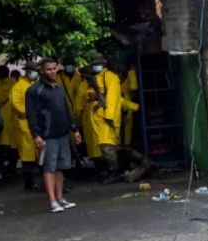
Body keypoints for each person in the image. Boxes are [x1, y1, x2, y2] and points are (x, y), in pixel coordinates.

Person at [25, 59, 81, 213]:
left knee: (60, 167)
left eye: (54, 69)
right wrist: (36, 135)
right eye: (48, 69)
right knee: (49, 167)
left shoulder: (59, 89)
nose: (52, 72)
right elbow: (31, 115)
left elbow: (66, 111)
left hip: (62, 133)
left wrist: (74, 129)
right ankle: (52, 201)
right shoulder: (34, 91)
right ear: (42, 71)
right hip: (46, 135)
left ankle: (60, 198)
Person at [86, 53, 151, 184]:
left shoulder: (110, 77)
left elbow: (112, 99)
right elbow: (118, 99)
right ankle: (118, 169)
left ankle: (115, 171)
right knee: (110, 147)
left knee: (107, 147)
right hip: (100, 119)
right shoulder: (96, 78)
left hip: (107, 118)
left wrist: (109, 117)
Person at [11, 61, 39, 190]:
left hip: (37, 124)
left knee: (39, 154)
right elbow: (17, 105)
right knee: (28, 156)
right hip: (25, 124)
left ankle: (39, 180)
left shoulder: (36, 84)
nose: (35, 74)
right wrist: (32, 112)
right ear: (27, 71)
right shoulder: (18, 87)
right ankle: (29, 182)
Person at [0, 66, 17, 175]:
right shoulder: (15, 86)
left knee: (3, 146)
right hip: (15, 120)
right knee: (14, 145)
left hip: (1, 121)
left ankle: (6, 167)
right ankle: (13, 166)